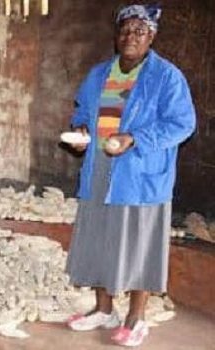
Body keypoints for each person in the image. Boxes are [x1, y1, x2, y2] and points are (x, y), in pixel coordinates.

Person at [64, 3, 196, 347]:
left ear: (151, 35)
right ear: (116, 34)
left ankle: (136, 318)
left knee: (141, 243)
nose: (130, 36)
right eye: (125, 29)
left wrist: (135, 138)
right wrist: (80, 132)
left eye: (139, 30)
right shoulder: (99, 74)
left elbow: (182, 123)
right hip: (100, 166)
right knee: (97, 237)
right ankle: (103, 308)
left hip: (139, 172)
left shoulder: (167, 77)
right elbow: (82, 109)